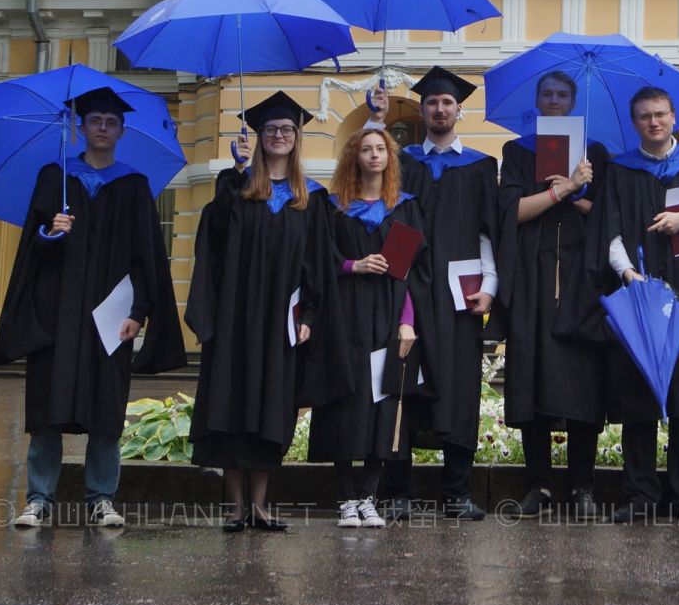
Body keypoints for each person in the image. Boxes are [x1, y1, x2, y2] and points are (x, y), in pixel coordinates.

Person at [0, 86, 184, 529]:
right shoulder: (54, 178)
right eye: (95, 120)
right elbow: (29, 253)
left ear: (121, 130)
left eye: (110, 121)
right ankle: (39, 498)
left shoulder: (134, 186)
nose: (102, 127)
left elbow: (147, 256)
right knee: (46, 406)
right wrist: (50, 231)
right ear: (80, 127)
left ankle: (101, 498)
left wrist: (139, 311)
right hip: (55, 314)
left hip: (109, 317)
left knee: (106, 409)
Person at [187, 91, 345, 532]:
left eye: (287, 130)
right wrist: (235, 173)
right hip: (235, 320)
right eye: (271, 130)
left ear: (297, 138)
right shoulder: (235, 188)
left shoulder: (310, 199)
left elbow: (319, 267)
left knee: (272, 410)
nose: (279, 135)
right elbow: (212, 241)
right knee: (232, 406)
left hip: (282, 324)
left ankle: (260, 505)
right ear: (259, 137)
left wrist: (309, 318)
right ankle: (236, 507)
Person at [587, 85, 679, 524]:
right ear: (636, 123)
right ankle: (640, 495)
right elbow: (609, 234)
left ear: (675, 118)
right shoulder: (620, 172)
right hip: (640, 294)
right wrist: (629, 276)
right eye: (645, 116)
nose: (654, 122)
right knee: (639, 396)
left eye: (661, 114)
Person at [496, 70, 610, 518]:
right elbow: (512, 213)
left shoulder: (595, 153)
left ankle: (583, 484)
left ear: (574, 101)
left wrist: (579, 187)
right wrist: (561, 187)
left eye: (563, 94)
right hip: (533, 276)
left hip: (583, 277)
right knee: (532, 376)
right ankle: (538, 484)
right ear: (537, 100)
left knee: (582, 379)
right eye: (547, 93)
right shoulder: (518, 151)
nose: (555, 100)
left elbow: (606, 214)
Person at [388, 66, 498, 522]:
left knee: (457, 389)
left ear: (459, 110)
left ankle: (456, 492)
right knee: (399, 387)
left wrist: (490, 287)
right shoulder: (403, 162)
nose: (439, 109)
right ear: (423, 109)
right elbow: (391, 225)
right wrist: (392, 286)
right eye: (431, 102)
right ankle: (397, 492)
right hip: (408, 293)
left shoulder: (479, 166)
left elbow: (487, 232)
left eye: (447, 102)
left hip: (459, 296)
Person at [308, 124, 424, 529]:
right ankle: (345, 498)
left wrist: (407, 323)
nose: (374, 155)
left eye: (381, 149)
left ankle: (368, 496)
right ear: (353, 157)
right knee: (345, 400)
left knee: (382, 402)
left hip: (388, 314)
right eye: (366, 149)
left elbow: (408, 273)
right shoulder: (335, 208)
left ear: (390, 158)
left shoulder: (404, 208)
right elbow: (318, 261)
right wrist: (352, 265)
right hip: (343, 315)